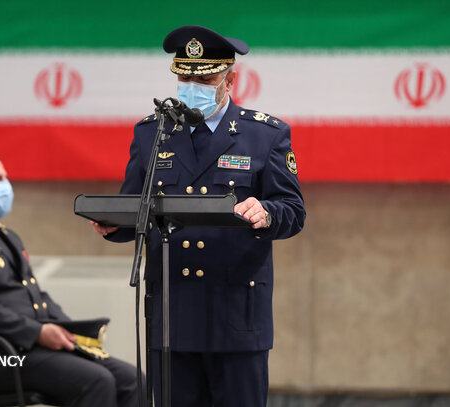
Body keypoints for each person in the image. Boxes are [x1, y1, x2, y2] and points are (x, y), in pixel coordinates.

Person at [91, 25, 306, 407]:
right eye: (184, 76)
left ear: (230, 79)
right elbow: (134, 208)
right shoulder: (152, 134)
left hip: (235, 311)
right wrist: (113, 225)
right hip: (173, 313)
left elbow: (293, 211)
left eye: (204, 77)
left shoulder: (264, 135)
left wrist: (266, 211)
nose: (193, 85)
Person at [0, 151, 140, 407]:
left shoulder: (4, 235)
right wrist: (37, 332)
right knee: (96, 380)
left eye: (5, 177)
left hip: (25, 347)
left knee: (132, 379)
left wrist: (68, 330)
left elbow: (34, 294)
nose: (6, 185)